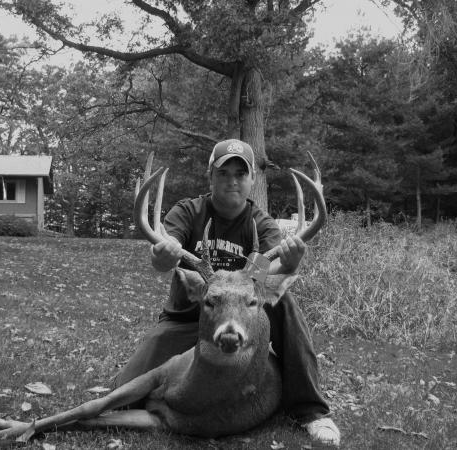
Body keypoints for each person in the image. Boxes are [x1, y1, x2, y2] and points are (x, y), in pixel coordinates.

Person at [114, 139, 340, 445]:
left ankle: (311, 410)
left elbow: (264, 277)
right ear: (210, 177)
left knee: (283, 302)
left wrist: (290, 262)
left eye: (240, 173)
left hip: (237, 319)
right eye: (223, 173)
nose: (232, 180)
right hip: (185, 318)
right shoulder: (189, 211)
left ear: (251, 180)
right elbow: (163, 250)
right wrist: (162, 256)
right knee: (123, 397)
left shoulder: (260, 224)